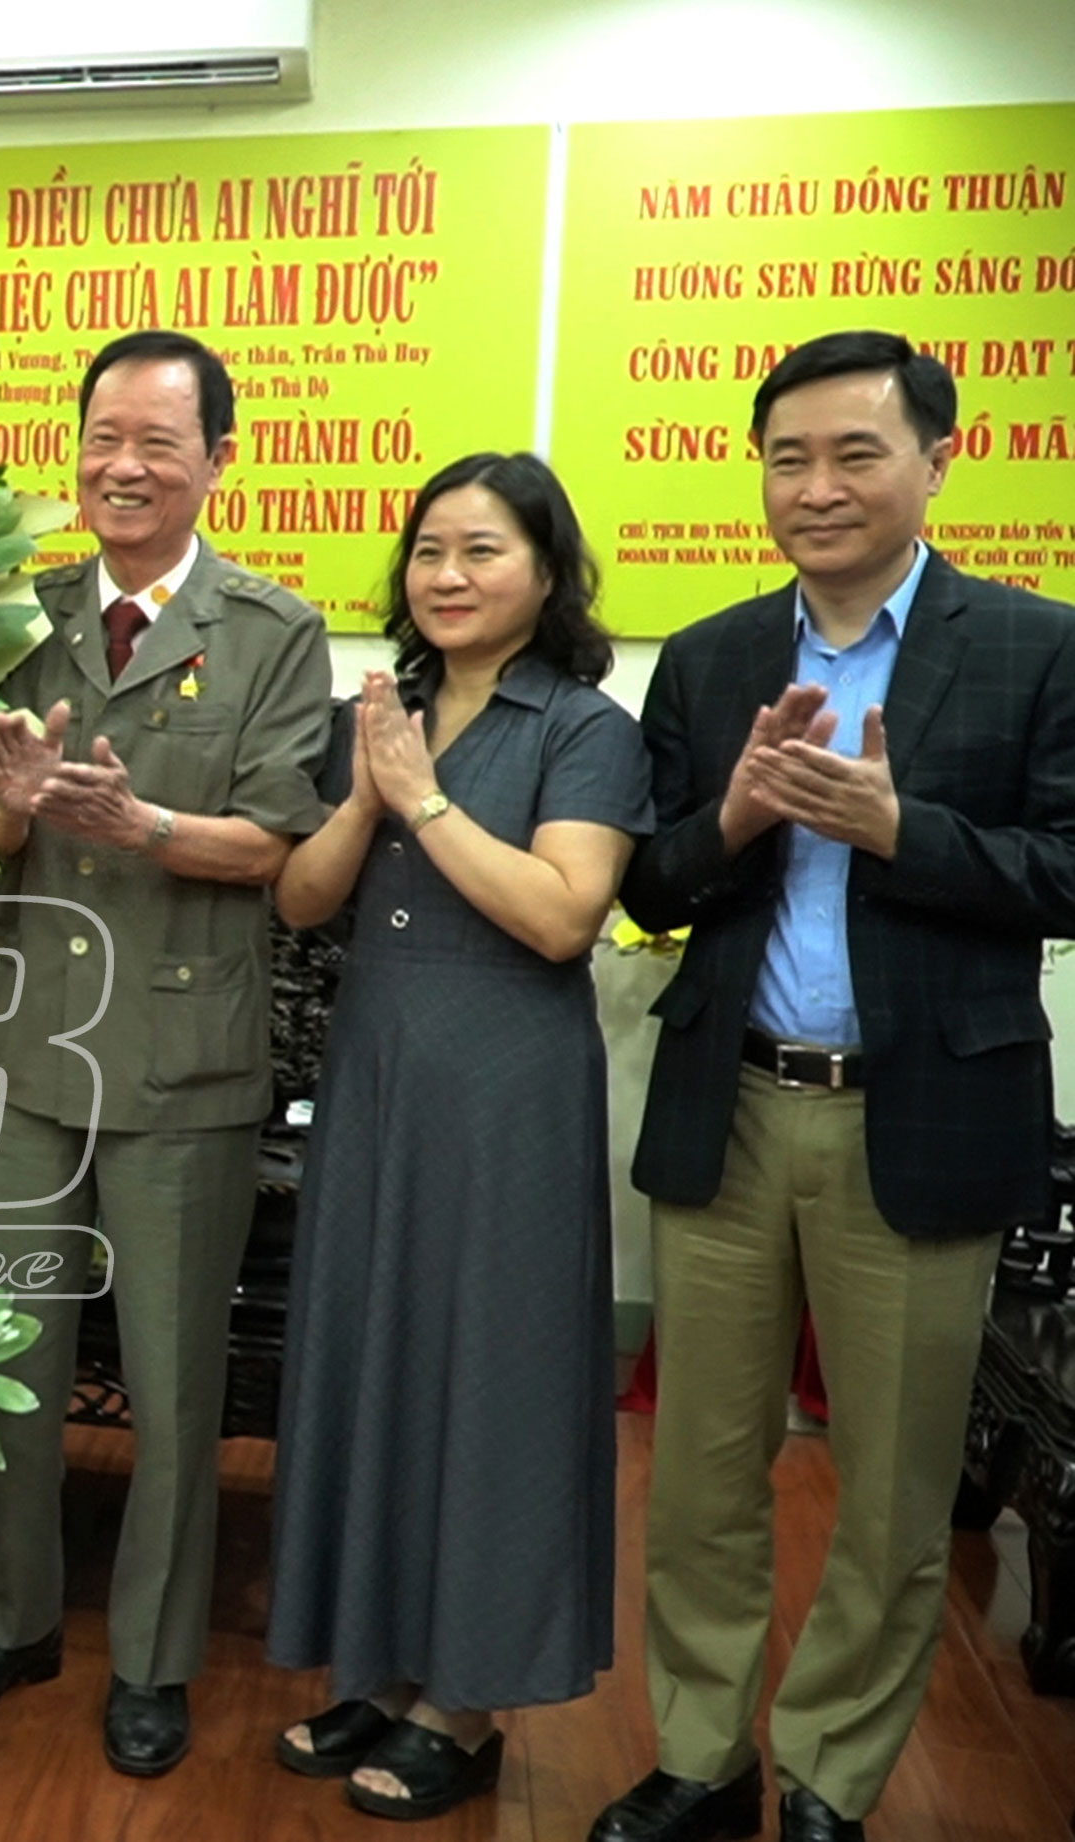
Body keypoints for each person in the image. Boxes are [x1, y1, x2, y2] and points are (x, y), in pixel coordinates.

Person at [594, 331, 1075, 1842]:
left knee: (890, 1490)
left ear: (939, 461)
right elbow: (650, 884)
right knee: (700, 1475)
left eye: (855, 453)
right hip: (730, 1106)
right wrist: (733, 818)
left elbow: (1068, 870)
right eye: (787, 458)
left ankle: (832, 1779)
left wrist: (900, 830)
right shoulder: (713, 656)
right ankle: (700, 1757)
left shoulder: (1037, 646)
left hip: (917, 1114)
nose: (816, 487)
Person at [0, 329, 334, 1776]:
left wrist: (138, 823)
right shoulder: (10, 617)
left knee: (170, 1385)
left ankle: (153, 1660)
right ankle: (9, 1619)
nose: (125, 466)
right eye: (104, 437)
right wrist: (15, 806)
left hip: (182, 1064)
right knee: (9, 1356)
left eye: (159, 441)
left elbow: (274, 844)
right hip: (28, 1051)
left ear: (216, 459)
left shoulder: (271, 631)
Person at [262, 452, 650, 1820]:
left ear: (547, 573)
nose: (448, 574)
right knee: (374, 1358)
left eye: (482, 550)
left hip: (507, 1089)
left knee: (493, 1376)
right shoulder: (381, 714)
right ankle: (377, 1664)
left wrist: (424, 799)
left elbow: (562, 915)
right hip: (379, 1072)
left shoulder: (586, 726)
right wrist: (369, 795)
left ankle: (468, 1701)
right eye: (429, 549)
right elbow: (303, 901)